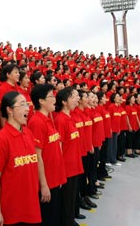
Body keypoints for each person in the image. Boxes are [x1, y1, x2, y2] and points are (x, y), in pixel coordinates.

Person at [0, 91, 41, 225]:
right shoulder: (2, 138)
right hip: (12, 210)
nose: (27, 108)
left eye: (27, 105)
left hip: (31, 205)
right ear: (9, 110)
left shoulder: (28, 133)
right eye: (22, 105)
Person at [29, 84, 66, 226]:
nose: (54, 99)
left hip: (56, 178)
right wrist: (44, 185)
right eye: (51, 96)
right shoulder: (37, 122)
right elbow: (37, 156)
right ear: (41, 101)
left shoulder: (49, 119)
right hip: (47, 182)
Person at [54, 87, 83, 226]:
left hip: (74, 165)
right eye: (74, 96)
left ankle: (70, 220)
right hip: (66, 167)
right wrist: (59, 171)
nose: (78, 99)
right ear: (64, 101)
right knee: (66, 199)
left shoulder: (70, 117)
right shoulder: (60, 120)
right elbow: (58, 147)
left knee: (72, 197)